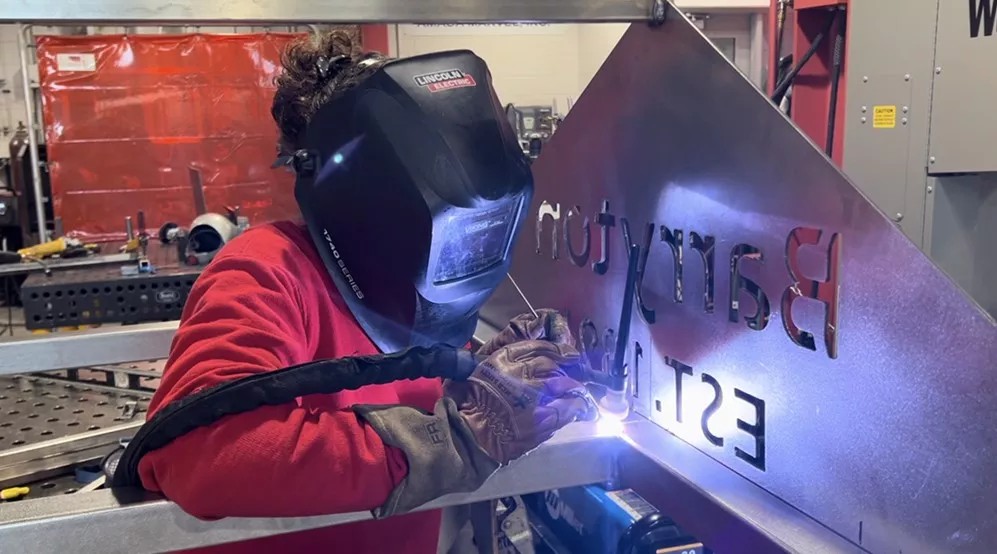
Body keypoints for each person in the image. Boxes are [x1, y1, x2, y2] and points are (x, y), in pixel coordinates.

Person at [129, 31, 594, 553]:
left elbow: (415, 412)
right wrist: (459, 438)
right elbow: (200, 452)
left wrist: (484, 384)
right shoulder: (267, 270)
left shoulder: (414, 297)